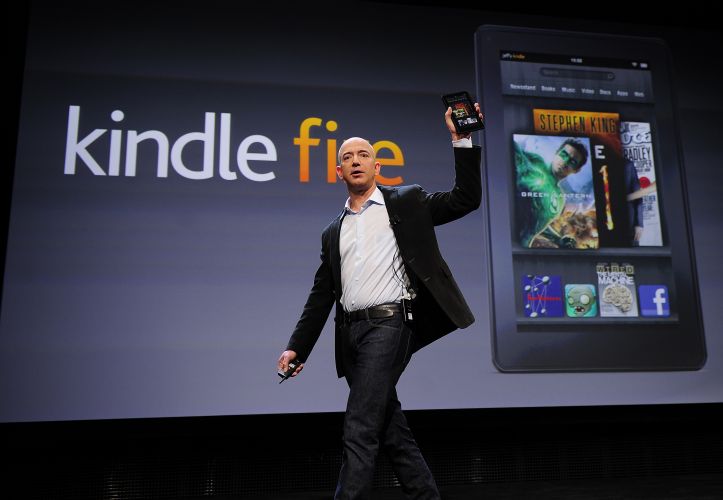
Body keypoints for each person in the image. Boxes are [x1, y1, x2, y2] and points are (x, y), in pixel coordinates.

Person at [277, 104, 483, 499]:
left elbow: (465, 199)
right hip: (350, 337)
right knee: (391, 431)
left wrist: (461, 140)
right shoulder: (332, 231)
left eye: (363, 155)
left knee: (360, 426)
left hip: (391, 325)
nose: (355, 161)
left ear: (377, 166)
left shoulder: (406, 201)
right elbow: (321, 296)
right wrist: (297, 347)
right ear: (339, 171)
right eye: (347, 157)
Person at [514, 138, 589, 248]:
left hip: (522, 249)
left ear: (576, 170)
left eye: (572, 162)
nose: (565, 162)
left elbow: (539, 224)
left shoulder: (560, 199)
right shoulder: (535, 162)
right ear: (557, 152)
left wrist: (558, 239)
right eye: (564, 154)